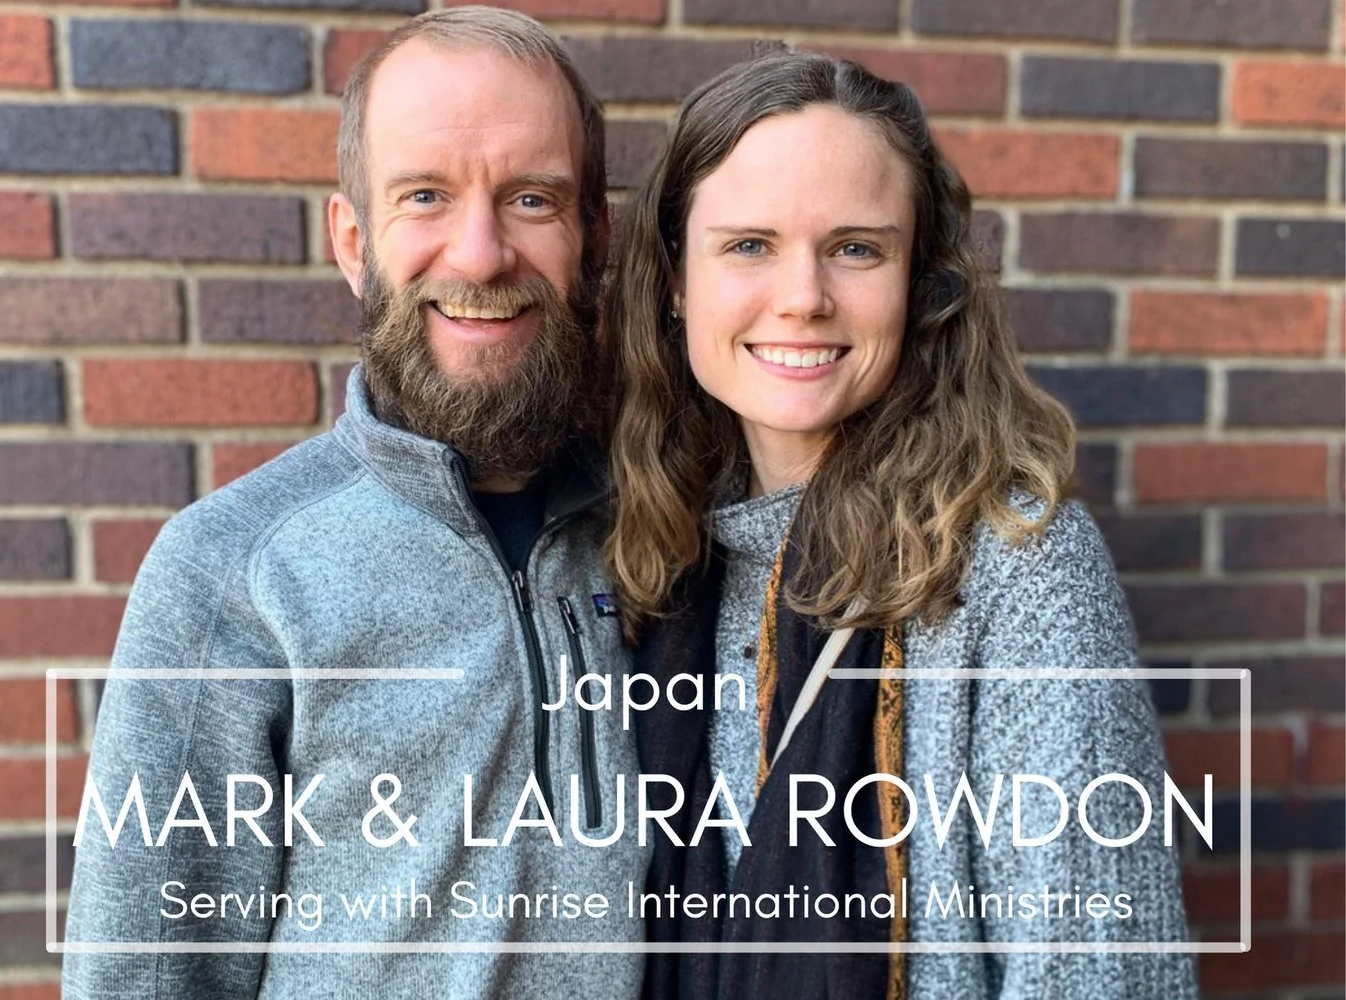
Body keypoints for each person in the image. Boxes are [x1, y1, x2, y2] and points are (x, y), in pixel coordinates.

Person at [64, 8, 646, 998]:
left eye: (531, 199)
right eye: (425, 196)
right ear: (352, 240)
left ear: (592, 236)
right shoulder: (230, 569)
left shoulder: (667, 529)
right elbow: (144, 973)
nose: (479, 254)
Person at [604, 52, 1198, 1000]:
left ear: (919, 281)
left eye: (855, 249)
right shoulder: (649, 560)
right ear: (676, 280)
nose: (803, 296)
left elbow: (1101, 975)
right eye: (749, 244)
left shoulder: (1018, 568)